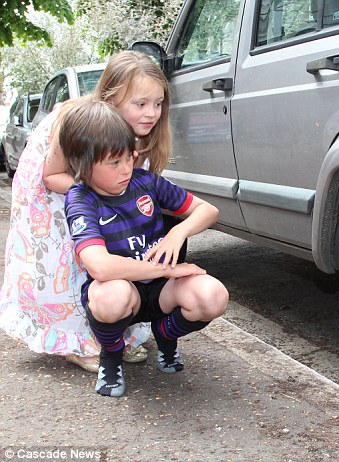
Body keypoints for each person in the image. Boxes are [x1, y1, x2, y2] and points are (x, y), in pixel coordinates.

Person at [0, 51, 172, 373]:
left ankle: (118, 333)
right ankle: (78, 342)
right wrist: (104, 192)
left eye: (158, 103)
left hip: (102, 190)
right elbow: (51, 176)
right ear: (111, 97)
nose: (151, 113)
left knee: (116, 256)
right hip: (56, 193)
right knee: (70, 267)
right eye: (140, 104)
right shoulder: (79, 119)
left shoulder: (143, 131)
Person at [63, 99, 228, 397]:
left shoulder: (147, 182)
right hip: (124, 291)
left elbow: (209, 211)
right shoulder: (80, 199)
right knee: (109, 297)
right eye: (114, 163)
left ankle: (165, 334)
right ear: (82, 166)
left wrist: (177, 232)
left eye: (129, 157)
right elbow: (99, 266)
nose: (126, 168)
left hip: (162, 290)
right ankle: (111, 355)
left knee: (214, 296)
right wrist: (166, 268)